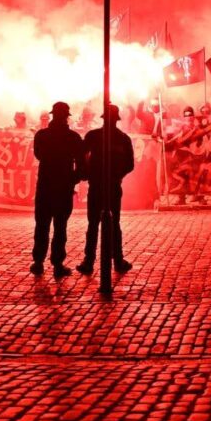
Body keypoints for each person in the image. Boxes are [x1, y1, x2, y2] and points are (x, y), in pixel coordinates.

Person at [80, 103, 135, 289]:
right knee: (112, 224)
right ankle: (116, 260)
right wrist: (116, 175)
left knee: (95, 224)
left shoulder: (94, 136)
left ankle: (90, 261)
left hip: (100, 186)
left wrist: (88, 173)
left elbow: (81, 156)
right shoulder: (122, 139)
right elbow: (129, 165)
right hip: (110, 186)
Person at [31, 101, 81, 277]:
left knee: (42, 225)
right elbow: (81, 164)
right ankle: (57, 263)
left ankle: (38, 262)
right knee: (60, 227)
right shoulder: (73, 137)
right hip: (63, 187)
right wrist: (73, 179)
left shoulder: (42, 135)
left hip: (45, 186)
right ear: (66, 116)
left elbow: (39, 155)